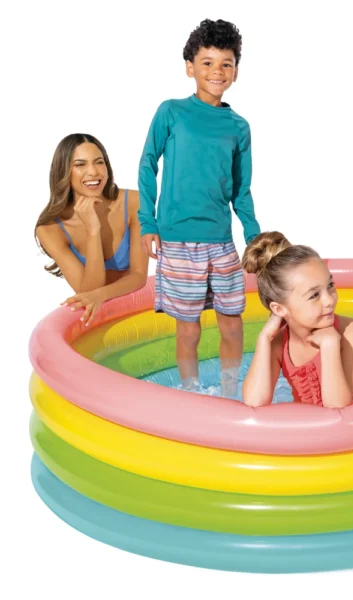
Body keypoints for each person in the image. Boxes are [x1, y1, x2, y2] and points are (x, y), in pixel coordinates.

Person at [138, 18, 260, 396]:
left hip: (220, 241)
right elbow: (147, 164)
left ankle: (229, 393)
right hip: (177, 240)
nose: (217, 71)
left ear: (236, 72)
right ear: (190, 67)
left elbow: (241, 189)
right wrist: (147, 222)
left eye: (226, 63)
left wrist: (254, 236)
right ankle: (191, 394)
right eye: (207, 62)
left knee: (233, 325)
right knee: (188, 330)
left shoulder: (238, 126)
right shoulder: (171, 112)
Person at [241, 232, 353, 408]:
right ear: (279, 309)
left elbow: (339, 409)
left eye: (330, 285)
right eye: (314, 295)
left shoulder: (351, 333)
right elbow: (255, 401)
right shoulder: (279, 344)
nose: (329, 300)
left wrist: (330, 345)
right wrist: (264, 338)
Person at [35, 133, 148, 326]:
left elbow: (138, 276)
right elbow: (87, 291)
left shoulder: (134, 203)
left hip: (136, 310)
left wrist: (100, 295)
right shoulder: (50, 229)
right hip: (99, 322)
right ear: (64, 171)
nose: (94, 172)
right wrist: (93, 230)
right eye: (80, 164)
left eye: (99, 162)